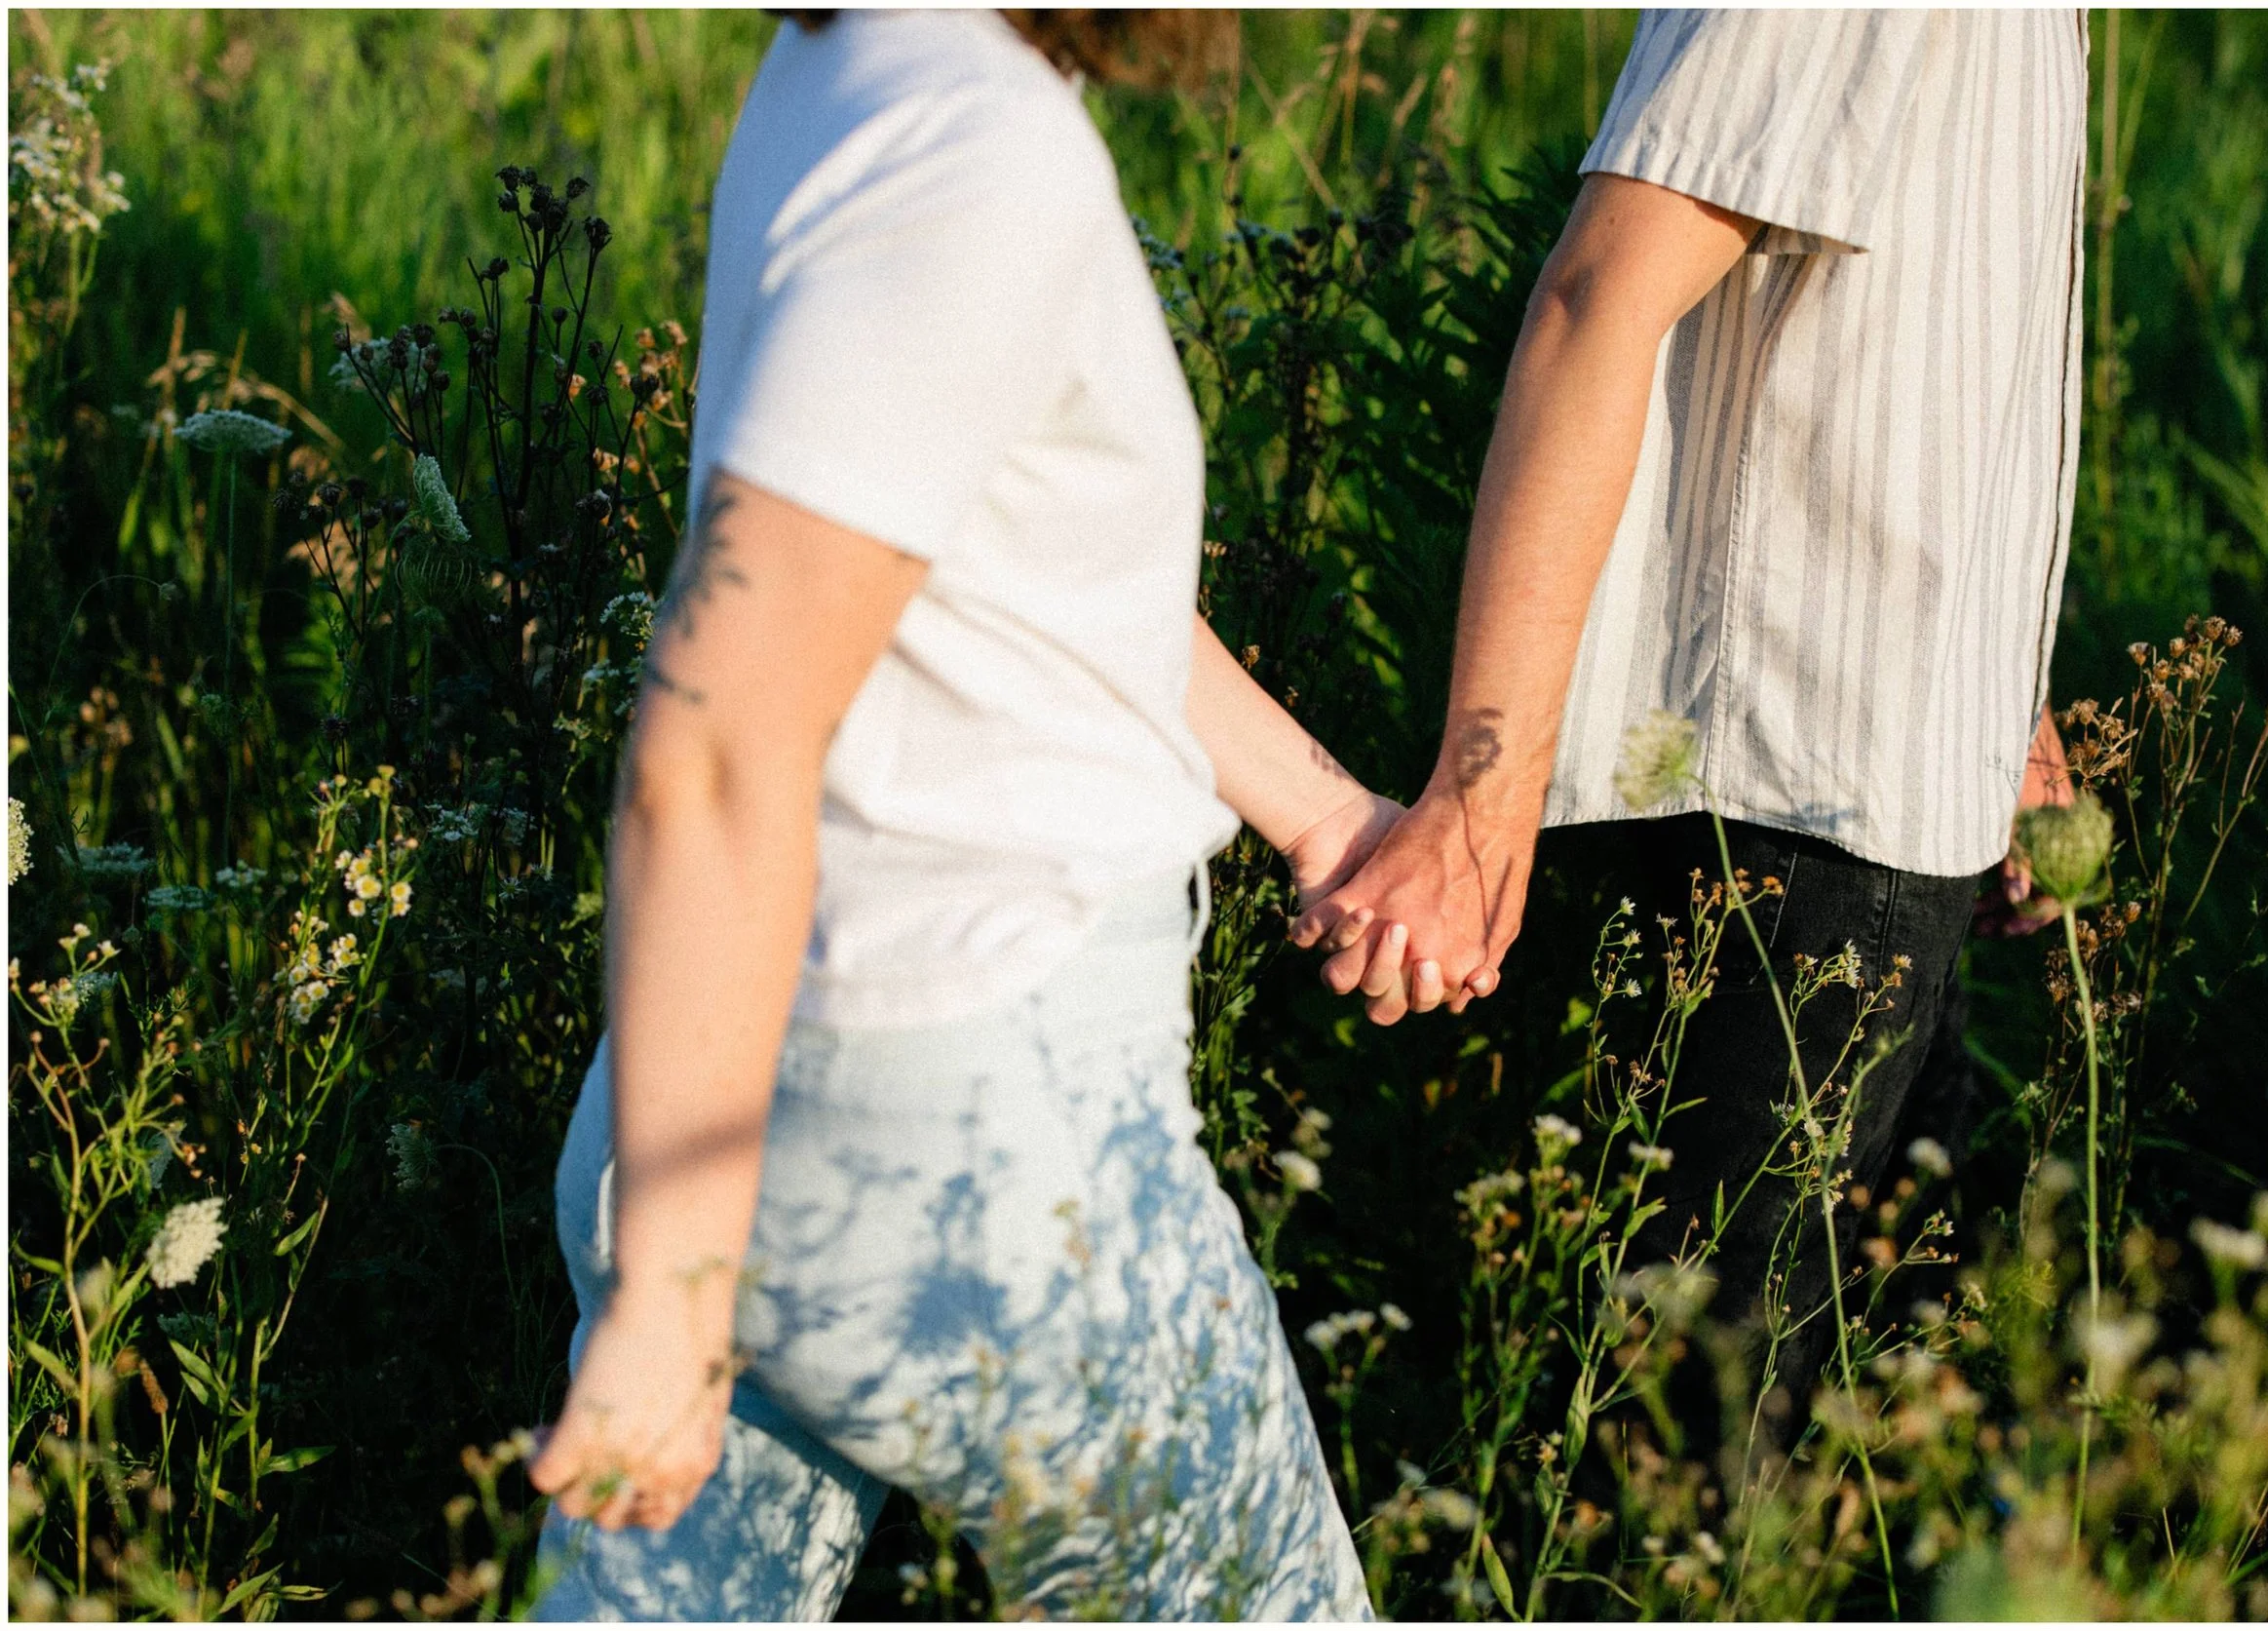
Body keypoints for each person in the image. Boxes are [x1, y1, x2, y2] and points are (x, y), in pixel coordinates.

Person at [526, 12, 1385, 1619]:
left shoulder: (859, 66)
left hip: (738, 1081)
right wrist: (674, 1293)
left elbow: (1011, 583)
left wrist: (1325, 818)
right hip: (983, 1133)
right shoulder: (973, 146)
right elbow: (716, 744)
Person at [1296, 10, 2090, 1436]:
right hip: (1788, 797)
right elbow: (1598, 298)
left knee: (1852, 1430)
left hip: (1893, 785)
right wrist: (1480, 799)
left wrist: (2000, 692)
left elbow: (1936, 343)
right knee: (1693, 1450)